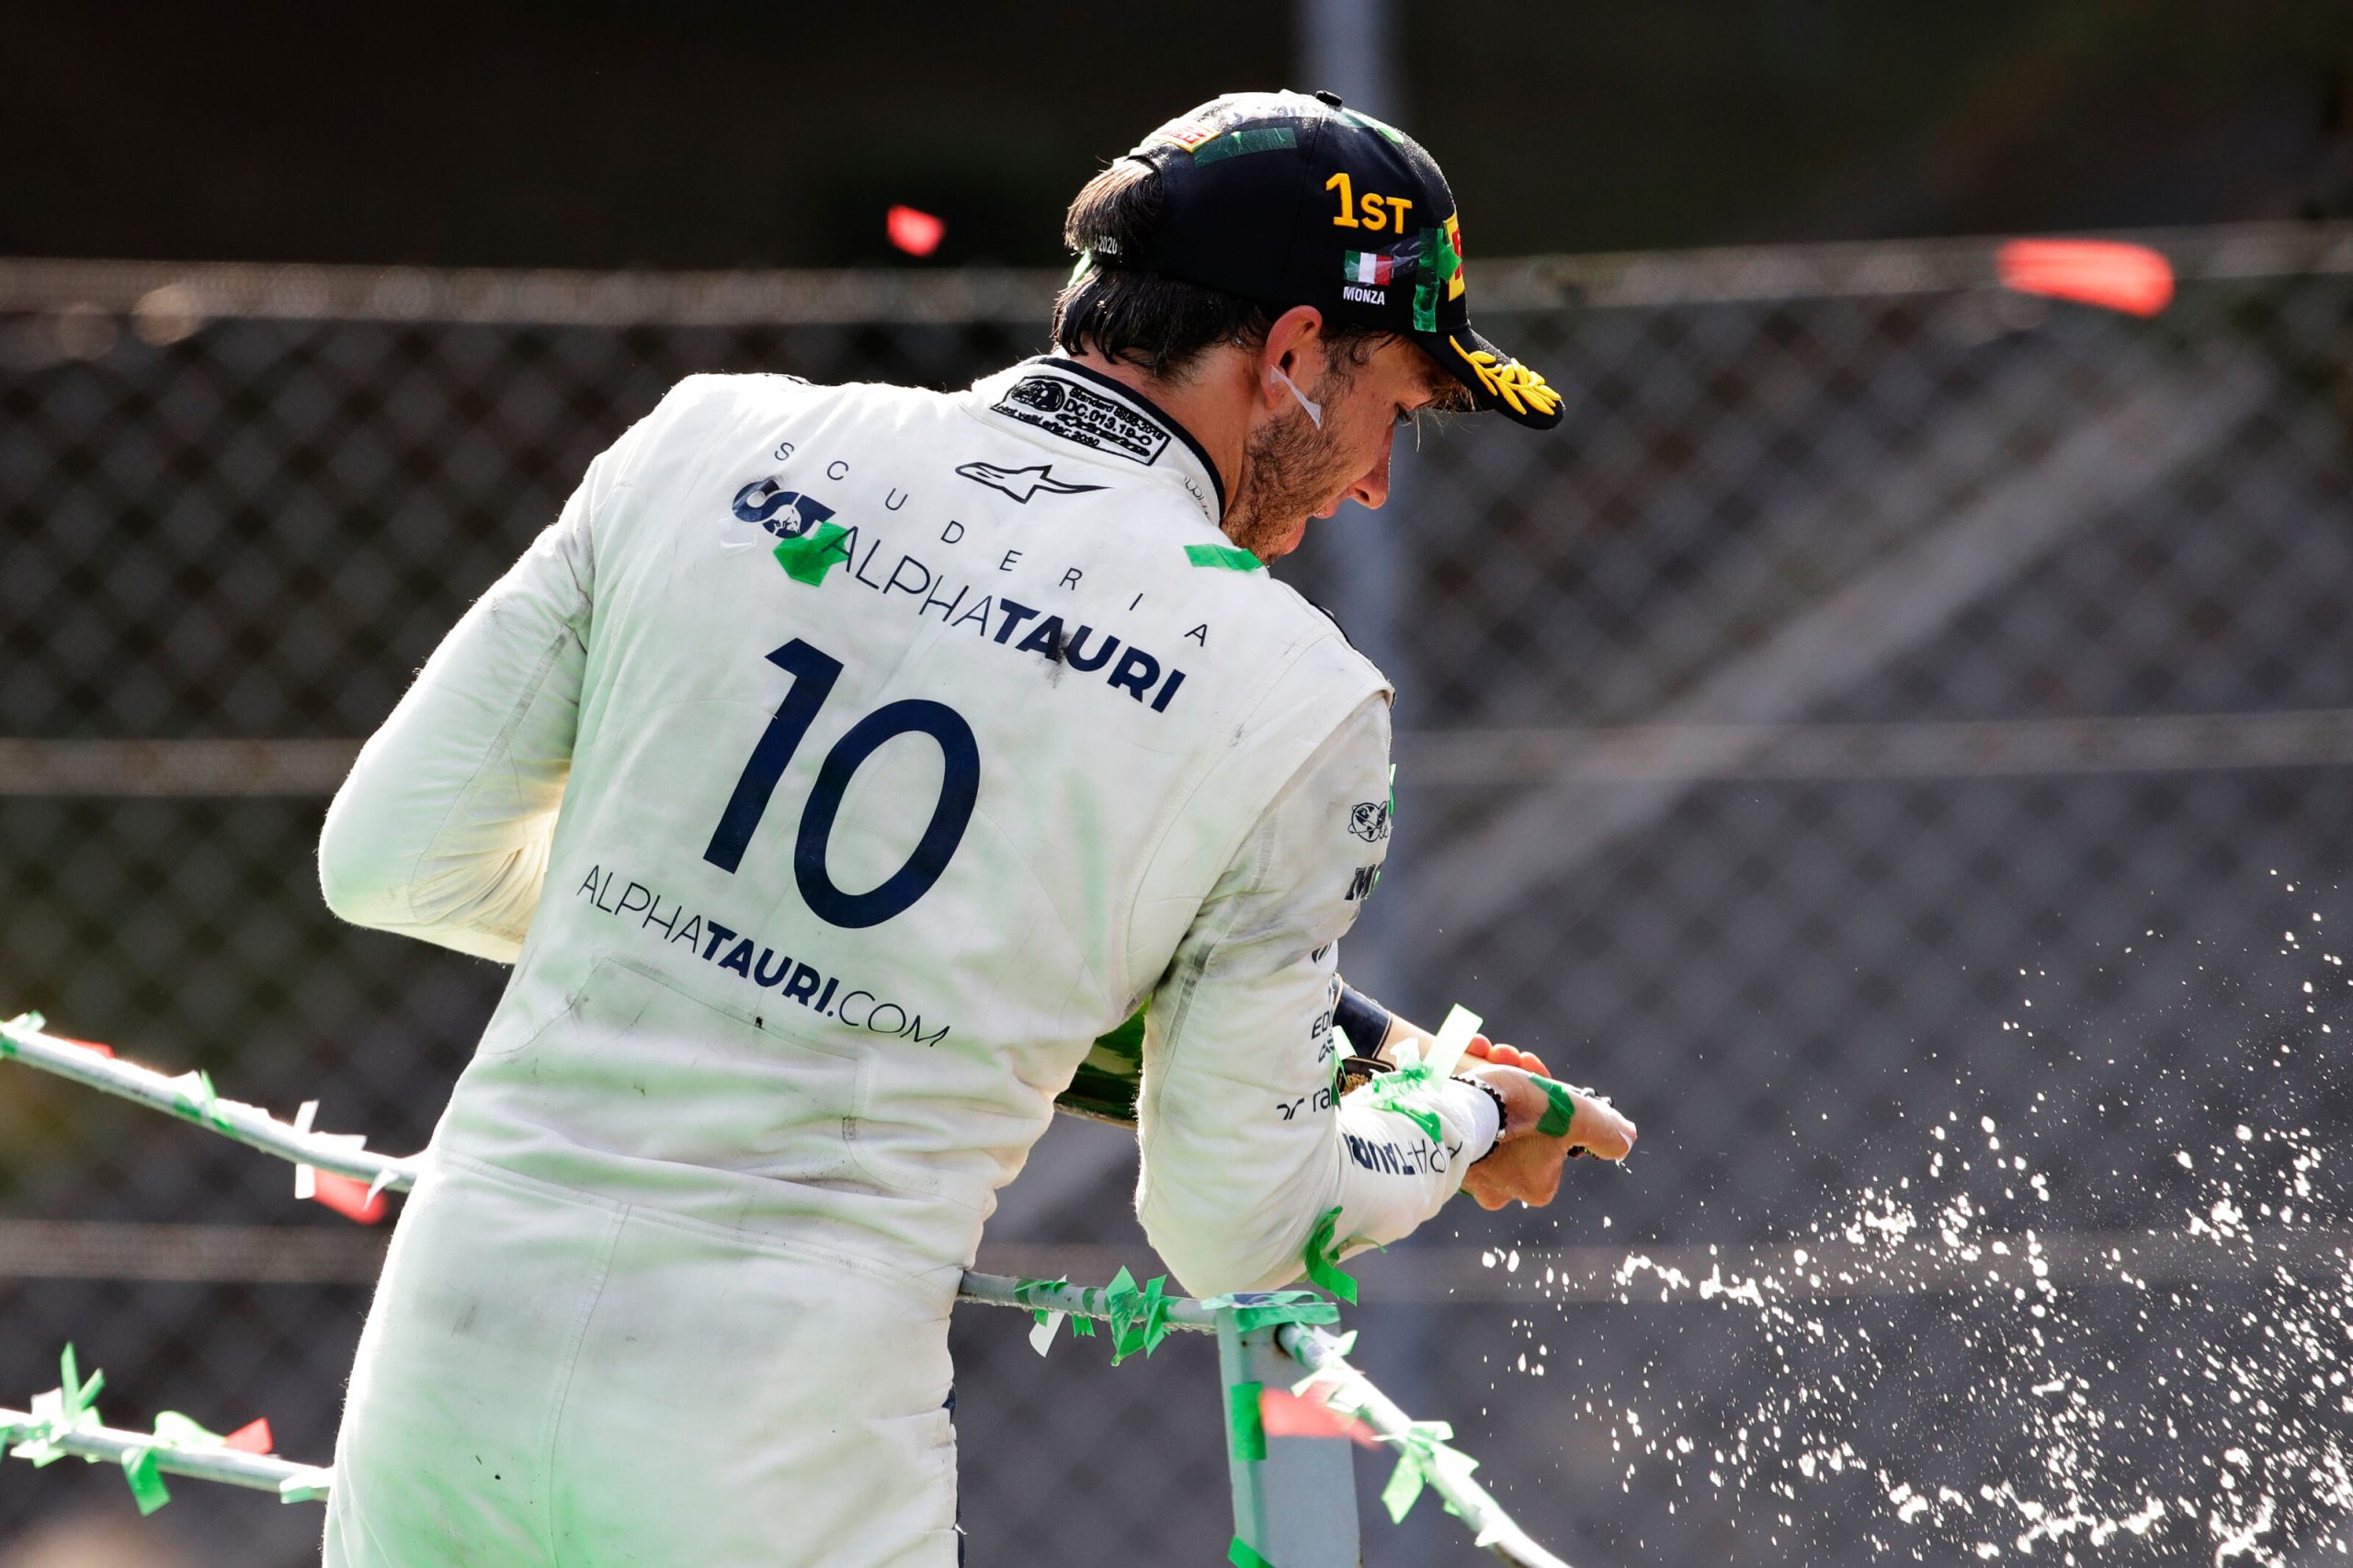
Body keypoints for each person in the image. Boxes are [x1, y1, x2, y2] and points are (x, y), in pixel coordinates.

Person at [314, 87, 1635, 1567]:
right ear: (1289, 359)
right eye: (1395, 403)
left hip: (443, 1369)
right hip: (773, 1447)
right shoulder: (1293, 691)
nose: (1384, 474)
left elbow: (391, 853)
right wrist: (1456, 1115)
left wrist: (726, 940)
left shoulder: (708, 439)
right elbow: (1237, 1217)